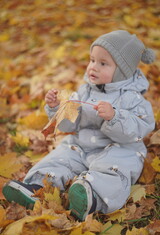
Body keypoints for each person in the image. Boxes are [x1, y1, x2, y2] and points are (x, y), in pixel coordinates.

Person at [3, 30, 155, 221]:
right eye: (92, 60)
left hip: (119, 147)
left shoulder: (133, 98)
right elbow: (70, 124)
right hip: (82, 144)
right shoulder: (85, 91)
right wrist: (57, 107)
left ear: (121, 71)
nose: (93, 67)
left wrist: (115, 117)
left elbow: (141, 128)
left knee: (114, 169)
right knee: (60, 157)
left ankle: (90, 196)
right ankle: (37, 189)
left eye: (103, 63)